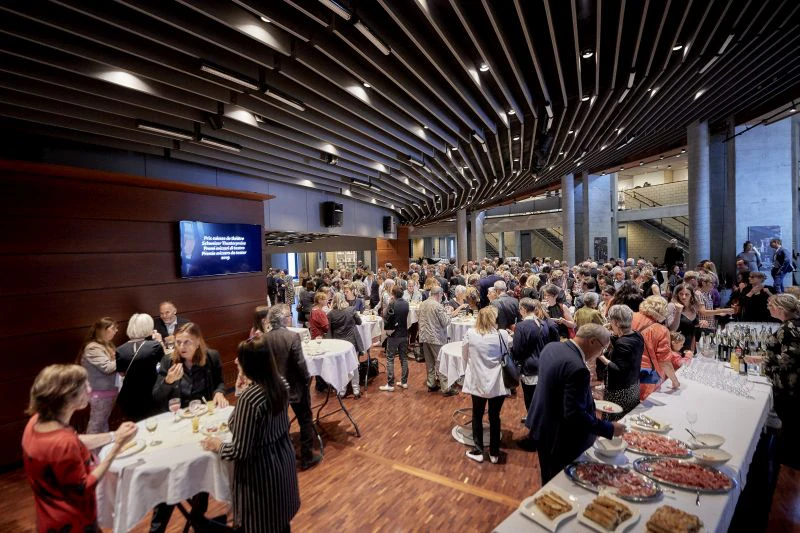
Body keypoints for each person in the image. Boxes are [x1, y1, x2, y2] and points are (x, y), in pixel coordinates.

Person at [22, 364, 137, 533]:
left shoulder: (35, 422)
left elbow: (75, 441)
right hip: (74, 522)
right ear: (68, 398)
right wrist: (117, 447)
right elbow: (84, 487)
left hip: (48, 519)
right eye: (85, 386)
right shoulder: (64, 442)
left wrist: (114, 436)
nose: (90, 389)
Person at [201, 339, 301, 532]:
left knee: (260, 524)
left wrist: (217, 445)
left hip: (261, 474)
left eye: (240, 359)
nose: (235, 361)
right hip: (282, 460)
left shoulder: (251, 398)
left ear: (250, 364)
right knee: (280, 523)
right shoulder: (280, 383)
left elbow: (240, 451)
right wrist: (243, 388)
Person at [150, 322, 228, 532]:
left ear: (198, 342)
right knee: (172, 475)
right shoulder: (168, 361)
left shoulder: (211, 357)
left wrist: (219, 393)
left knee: (203, 465)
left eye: (187, 342)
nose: (182, 347)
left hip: (203, 422)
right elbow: (156, 397)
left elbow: (220, 382)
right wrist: (167, 381)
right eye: (178, 342)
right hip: (177, 423)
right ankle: (158, 527)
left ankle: (197, 517)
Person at [526, 324, 625, 483]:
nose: (601, 353)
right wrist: (609, 428)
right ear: (592, 341)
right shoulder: (578, 368)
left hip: (541, 425)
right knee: (559, 482)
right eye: (602, 349)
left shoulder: (551, 347)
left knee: (547, 477)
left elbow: (555, 387)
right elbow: (575, 415)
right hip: (560, 438)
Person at [261, 305, 321, 470]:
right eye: (288, 315)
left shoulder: (264, 339)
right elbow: (300, 363)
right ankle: (307, 457)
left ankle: (282, 457)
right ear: (282, 319)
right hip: (295, 387)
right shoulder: (292, 337)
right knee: (305, 420)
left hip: (274, 388)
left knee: (279, 423)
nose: (290, 317)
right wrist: (307, 379)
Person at [745, 294, 800, 468]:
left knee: (790, 423)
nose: (768, 308)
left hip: (789, 385)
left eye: (771, 305)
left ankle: (787, 463)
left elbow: (790, 358)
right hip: (790, 384)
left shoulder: (787, 328)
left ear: (780, 309)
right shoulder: (793, 324)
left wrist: (762, 359)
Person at [462, 307, 511, 464]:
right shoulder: (502, 334)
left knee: (477, 415)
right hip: (497, 381)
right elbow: (506, 353)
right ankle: (494, 453)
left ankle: (478, 450)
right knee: (494, 416)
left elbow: (465, 355)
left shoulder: (470, 334)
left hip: (478, 380)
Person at [512, 298, 560, 451]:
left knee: (531, 403)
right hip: (543, 366)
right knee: (540, 402)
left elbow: (517, 350)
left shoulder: (521, 326)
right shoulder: (544, 323)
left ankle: (534, 439)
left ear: (523, 309)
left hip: (530, 368)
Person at [596, 305, 644, 420]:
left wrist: (601, 357)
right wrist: (612, 334)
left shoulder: (622, 343)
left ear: (616, 322)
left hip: (620, 391)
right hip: (633, 385)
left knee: (616, 420)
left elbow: (618, 369)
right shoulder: (637, 335)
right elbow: (622, 345)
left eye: (610, 320)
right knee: (628, 418)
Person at [116, 313, 165, 422]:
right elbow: (165, 363)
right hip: (150, 394)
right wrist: (160, 341)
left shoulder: (120, 350)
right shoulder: (154, 346)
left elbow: (122, 373)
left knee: (137, 426)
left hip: (129, 396)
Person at [632, 296, 680, 401]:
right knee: (643, 405)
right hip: (646, 375)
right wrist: (674, 381)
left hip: (624, 369)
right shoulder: (661, 330)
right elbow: (664, 361)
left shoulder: (630, 317)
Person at [77, 317, 119, 434]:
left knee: (103, 423)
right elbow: (108, 368)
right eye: (113, 328)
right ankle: (90, 445)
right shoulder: (93, 348)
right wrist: (125, 356)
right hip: (100, 394)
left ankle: (103, 445)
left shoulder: (107, 345)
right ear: (103, 330)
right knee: (96, 425)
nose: (116, 331)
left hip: (109, 391)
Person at [418, 286, 455, 395]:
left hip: (424, 336)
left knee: (429, 363)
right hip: (436, 338)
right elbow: (445, 322)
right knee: (441, 362)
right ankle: (446, 388)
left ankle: (431, 384)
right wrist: (449, 313)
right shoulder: (437, 306)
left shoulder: (423, 304)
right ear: (439, 294)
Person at [327, 292, 363, 398]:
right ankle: (356, 389)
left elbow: (329, 331)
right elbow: (359, 322)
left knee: (340, 367)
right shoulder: (351, 310)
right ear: (344, 299)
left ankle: (342, 390)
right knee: (354, 365)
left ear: (334, 301)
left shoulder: (330, 314)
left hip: (339, 343)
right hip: (352, 341)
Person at [381, 287, 410, 392]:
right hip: (404, 334)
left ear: (393, 294)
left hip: (394, 335)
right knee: (404, 358)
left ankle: (390, 384)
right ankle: (404, 382)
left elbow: (385, 316)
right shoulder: (406, 303)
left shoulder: (392, 304)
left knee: (390, 358)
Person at [671, 283, 707, 352]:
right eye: (681, 294)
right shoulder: (672, 306)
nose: (683, 297)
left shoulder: (693, 308)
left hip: (690, 346)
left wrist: (701, 323)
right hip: (677, 347)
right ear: (677, 294)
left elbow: (690, 325)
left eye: (687, 294)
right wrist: (678, 312)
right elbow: (672, 329)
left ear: (691, 295)